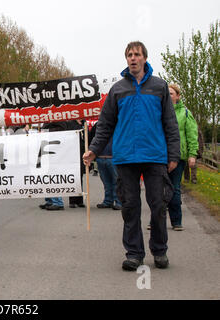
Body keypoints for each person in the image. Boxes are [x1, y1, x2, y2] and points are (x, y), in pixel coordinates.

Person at [83, 41, 180, 271]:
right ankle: (134, 253)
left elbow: (170, 124)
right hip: (125, 158)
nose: (133, 58)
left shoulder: (159, 87)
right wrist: (94, 150)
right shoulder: (118, 90)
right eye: (129, 55)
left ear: (145, 58)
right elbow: (105, 125)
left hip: (155, 156)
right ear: (126, 59)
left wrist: (173, 154)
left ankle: (159, 250)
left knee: (158, 206)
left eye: (137, 54)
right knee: (129, 207)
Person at [166, 84, 198, 231]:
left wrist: (192, 155)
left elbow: (192, 135)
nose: (169, 95)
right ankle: (156, 220)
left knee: (174, 188)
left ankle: (176, 221)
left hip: (178, 155)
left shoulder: (185, 113)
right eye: (167, 93)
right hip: (160, 155)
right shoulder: (158, 111)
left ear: (178, 96)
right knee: (157, 189)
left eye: (171, 93)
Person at [89, 122, 121, 210]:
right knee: (106, 182)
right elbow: (92, 137)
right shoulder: (98, 125)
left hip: (113, 157)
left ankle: (119, 201)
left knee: (117, 181)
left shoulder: (118, 123)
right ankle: (108, 201)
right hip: (101, 157)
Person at [38, 121, 68, 211]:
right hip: (46, 149)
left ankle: (58, 202)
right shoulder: (47, 120)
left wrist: (46, 132)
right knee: (47, 178)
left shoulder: (58, 120)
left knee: (53, 177)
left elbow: (61, 130)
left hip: (54, 150)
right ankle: (50, 200)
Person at [67, 119, 86, 208]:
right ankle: (72, 201)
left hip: (82, 153)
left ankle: (79, 200)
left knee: (80, 177)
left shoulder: (84, 123)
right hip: (73, 153)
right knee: (73, 176)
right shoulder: (71, 123)